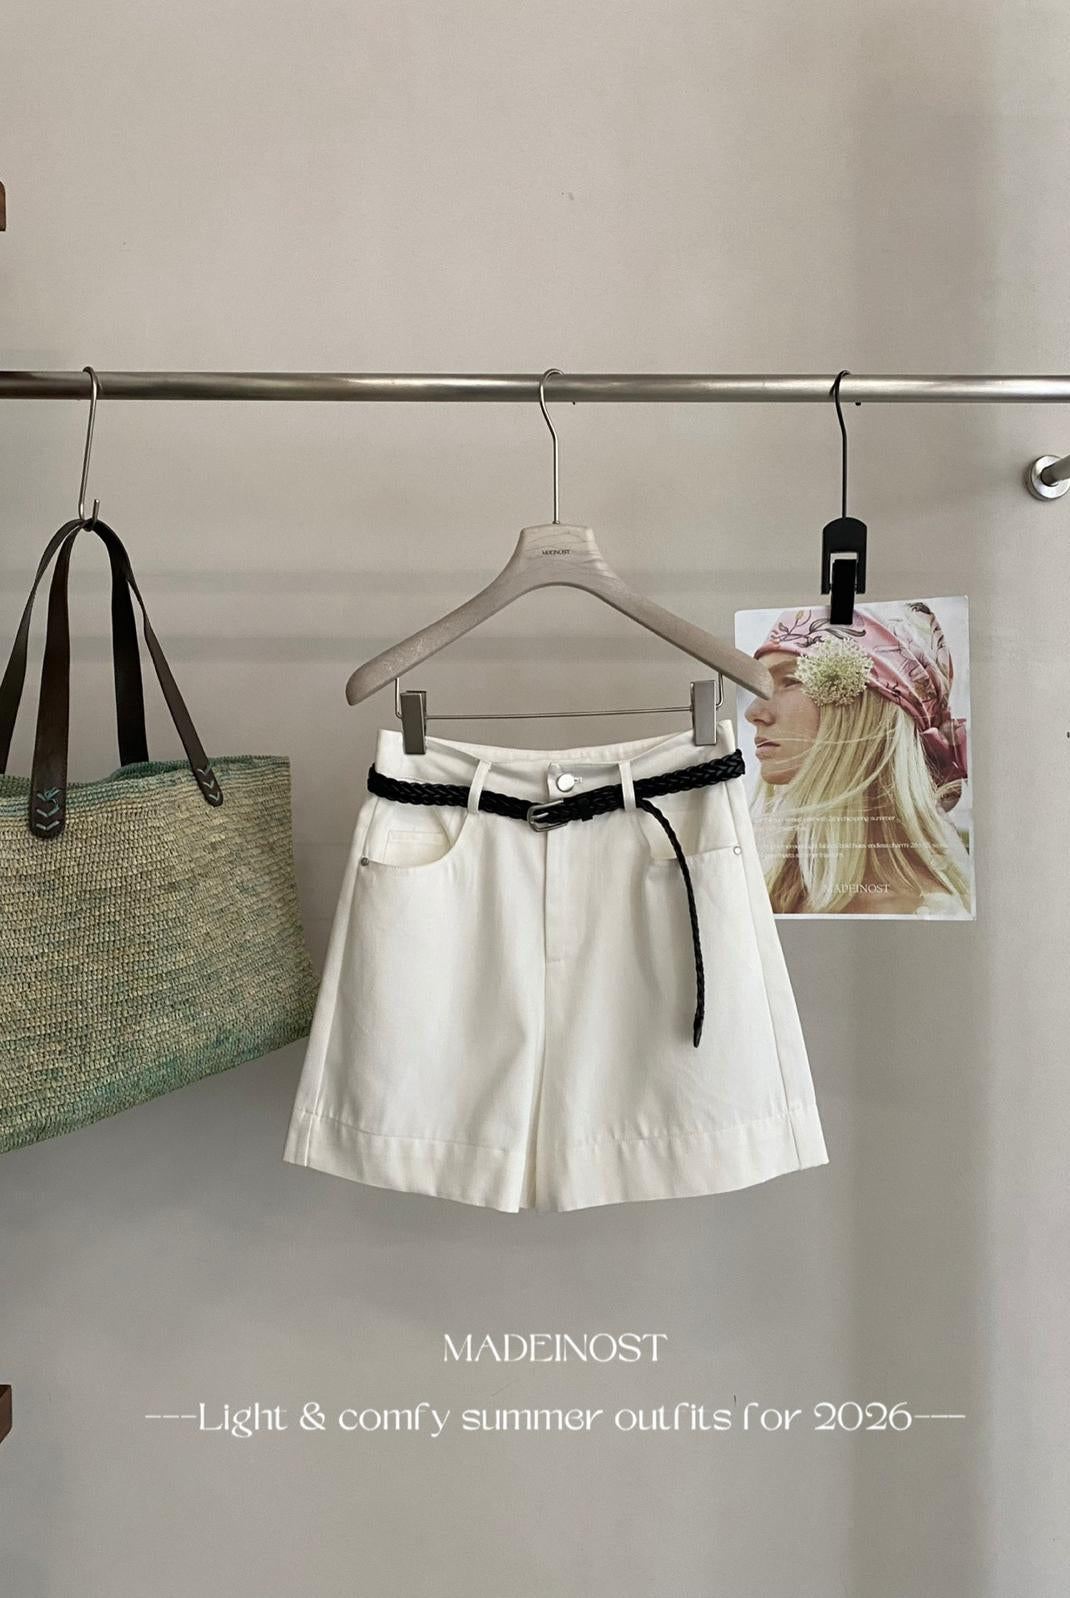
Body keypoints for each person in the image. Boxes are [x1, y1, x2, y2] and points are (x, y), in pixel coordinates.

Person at [744, 601, 971, 916]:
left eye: (791, 681)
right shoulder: (767, 888)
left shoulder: (928, 913)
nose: (753, 713)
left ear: (870, 707)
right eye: (760, 687)